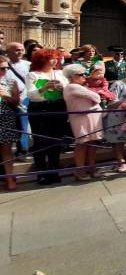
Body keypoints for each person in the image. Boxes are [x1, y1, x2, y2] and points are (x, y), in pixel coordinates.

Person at [26, 48, 68, 185]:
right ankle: (42, 172)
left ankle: (54, 170)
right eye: (51, 58)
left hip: (58, 106)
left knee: (56, 139)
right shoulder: (33, 75)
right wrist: (44, 88)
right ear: (42, 59)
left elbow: (69, 89)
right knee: (41, 140)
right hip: (40, 108)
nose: (55, 60)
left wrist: (63, 88)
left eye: (56, 57)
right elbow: (31, 94)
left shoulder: (60, 73)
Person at [63, 64, 104, 181]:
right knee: (82, 143)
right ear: (72, 77)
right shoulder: (72, 87)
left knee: (92, 143)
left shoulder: (80, 87)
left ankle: (91, 167)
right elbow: (96, 97)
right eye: (81, 75)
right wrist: (95, 98)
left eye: (84, 74)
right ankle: (80, 170)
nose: (84, 77)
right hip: (80, 118)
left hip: (91, 117)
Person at [0, 55, 21, 190]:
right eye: (1, 68)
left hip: (5, 118)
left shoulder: (11, 81)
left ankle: (9, 178)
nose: (4, 71)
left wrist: (5, 95)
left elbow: (15, 102)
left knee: (6, 149)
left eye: (6, 68)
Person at [6, 42, 30, 157]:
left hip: (27, 99)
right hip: (10, 101)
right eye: (16, 50)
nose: (20, 52)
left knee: (25, 125)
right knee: (17, 126)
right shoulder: (4, 65)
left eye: (21, 49)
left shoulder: (29, 65)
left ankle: (24, 148)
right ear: (8, 52)